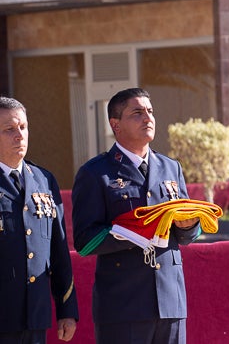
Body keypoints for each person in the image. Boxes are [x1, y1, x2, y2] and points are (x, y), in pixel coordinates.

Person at [72, 88, 201, 344]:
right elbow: (85, 241)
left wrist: (189, 225)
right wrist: (136, 232)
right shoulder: (96, 173)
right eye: (137, 113)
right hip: (123, 306)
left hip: (170, 302)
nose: (148, 118)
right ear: (115, 124)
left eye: (150, 112)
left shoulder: (170, 167)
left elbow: (187, 236)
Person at [0, 97, 78, 344]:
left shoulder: (44, 180)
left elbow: (58, 252)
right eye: (9, 129)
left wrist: (66, 310)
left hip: (35, 314)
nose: (19, 135)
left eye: (23, 127)